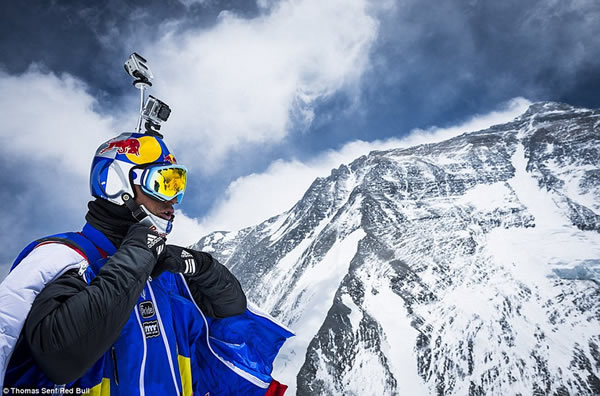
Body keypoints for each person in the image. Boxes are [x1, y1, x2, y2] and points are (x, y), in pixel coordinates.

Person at [0, 132, 292, 395]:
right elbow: (59, 357)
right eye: (164, 184)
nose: (174, 201)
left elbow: (231, 312)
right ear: (117, 187)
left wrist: (203, 266)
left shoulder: (164, 272)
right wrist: (138, 253)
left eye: (179, 185)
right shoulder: (64, 259)